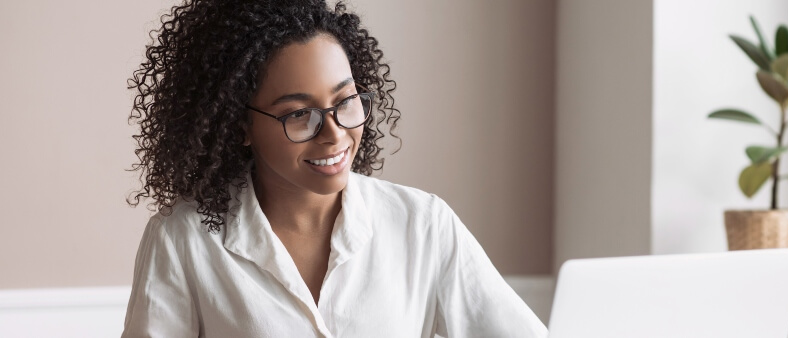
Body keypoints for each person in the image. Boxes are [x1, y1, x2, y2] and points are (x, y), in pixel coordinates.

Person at [121, 0, 547, 337]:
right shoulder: (183, 240)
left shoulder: (424, 225)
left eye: (346, 102)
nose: (334, 134)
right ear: (240, 125)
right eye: (299, 115)